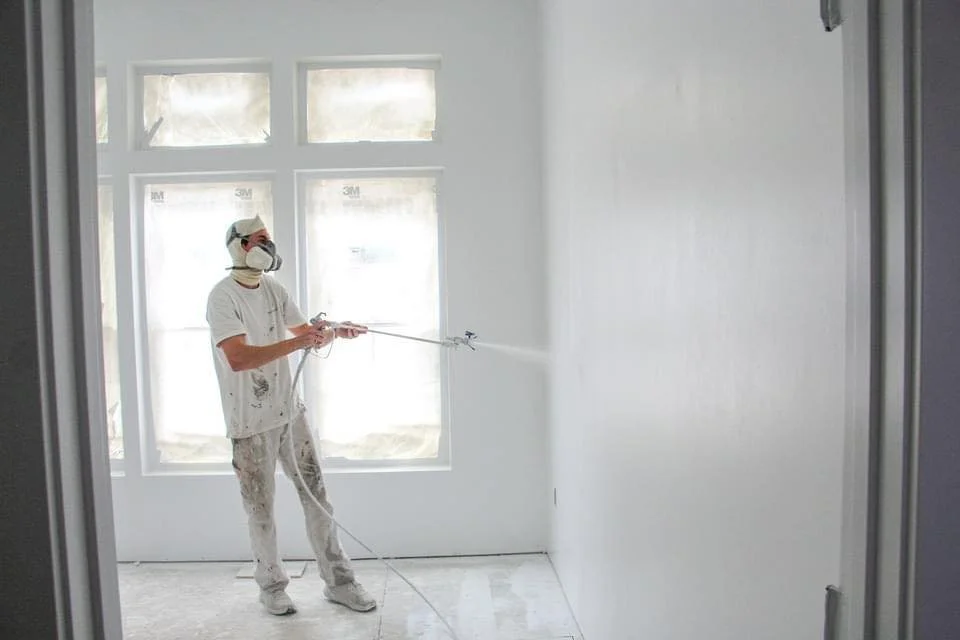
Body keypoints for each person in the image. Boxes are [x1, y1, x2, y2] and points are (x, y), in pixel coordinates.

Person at [205, 215, 376, 616]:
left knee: (318, 498)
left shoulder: (274, 289)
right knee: (260, 510)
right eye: (261, 240)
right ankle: (271, 587)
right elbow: (240, 358)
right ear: (240, 246)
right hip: (249, 422)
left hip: (288, 413)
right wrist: (299, 341)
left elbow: (303, 332)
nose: (269, 246)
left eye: (270, 239)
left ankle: (340, 582)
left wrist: (331, 331)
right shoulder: (222, 297)